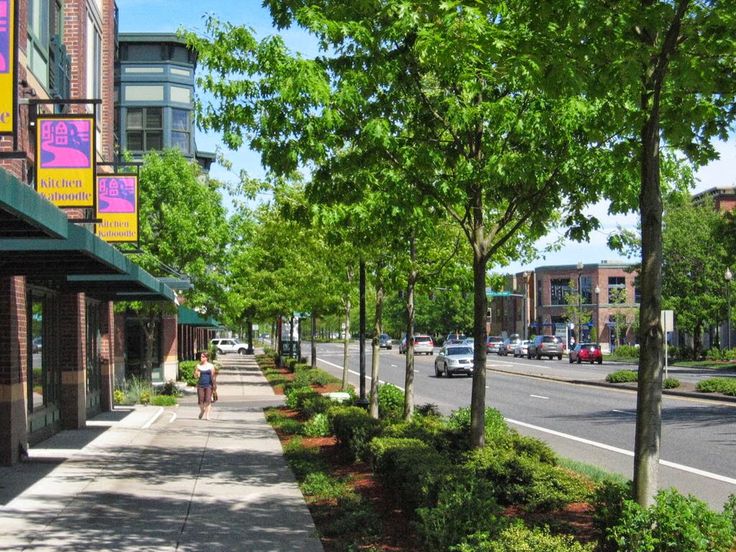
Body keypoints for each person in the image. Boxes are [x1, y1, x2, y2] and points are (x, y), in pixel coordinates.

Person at [194, 352, 217, 420]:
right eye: (201, 356)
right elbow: (195, 376)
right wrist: (197, 374)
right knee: (200, 401)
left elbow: (213, 376)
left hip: (208, 385)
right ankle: (202, 411)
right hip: (200, 385)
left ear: (206, 358)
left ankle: (207, 416)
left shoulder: (211, 366)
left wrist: (214, 385)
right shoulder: (198, 366)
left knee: (208, 400)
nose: (201, 358)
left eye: (203, 356)